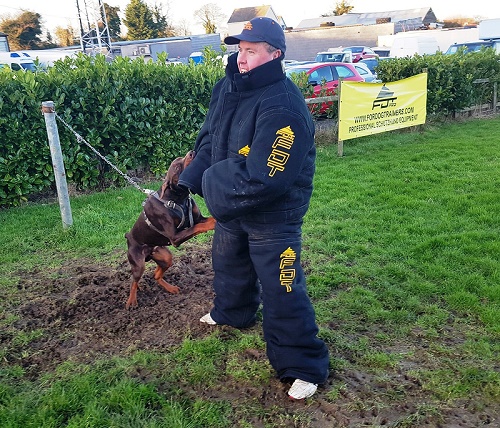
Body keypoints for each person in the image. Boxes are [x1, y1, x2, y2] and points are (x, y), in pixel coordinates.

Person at [178, 17, 330, 400]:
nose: (242, 59)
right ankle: (234, 312)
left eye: (251, 51)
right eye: (240, 50)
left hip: (274, 215)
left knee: (282, 289)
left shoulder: (285, 106)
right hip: (233, 204)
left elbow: (269, 175)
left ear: (275, 54)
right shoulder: (228, 88)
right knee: (229, 264)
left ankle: (303, 365)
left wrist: (213, 188)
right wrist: (190, 179)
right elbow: (212, 136)